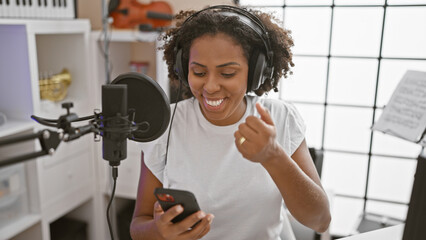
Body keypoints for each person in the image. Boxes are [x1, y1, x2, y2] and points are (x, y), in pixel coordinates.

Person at [130, 4, 331, 240]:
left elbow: (320, 220)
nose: (211, 87)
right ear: (184, 70)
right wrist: (158, 231)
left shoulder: (281, 118)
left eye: (227, 74)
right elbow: (138, 226)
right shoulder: (167, 124)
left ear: (256, 72)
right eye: (199, 72)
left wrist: (273, 156)